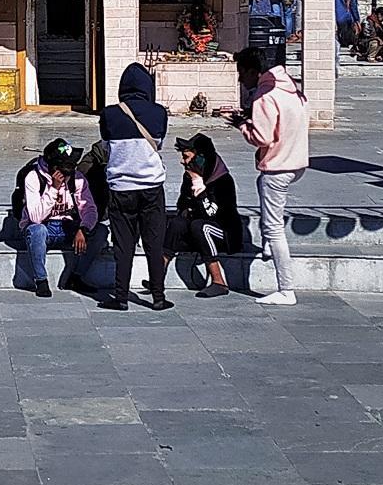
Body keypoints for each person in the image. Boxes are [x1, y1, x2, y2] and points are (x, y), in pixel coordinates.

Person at [229, 49, 309, 305]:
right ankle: (266, 244)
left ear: (253, 71)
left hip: (278, 165)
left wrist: (241, 125)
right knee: (265, 196)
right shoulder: (291, 89)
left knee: (274, 228)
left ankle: (286, 289)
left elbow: (262, 137)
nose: (241, 79)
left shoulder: (265, 96)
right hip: (296, 161)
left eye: (242, 73)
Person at [98, 62, 171, 311]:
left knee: (123, 246)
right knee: (154, 243)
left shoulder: (109, 114)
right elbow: (159, 142)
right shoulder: (159, 112)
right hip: (151, 187)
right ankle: (158, 297)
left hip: (121, 188)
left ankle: (120, 298)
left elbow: (106, 144)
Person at [15, 137, 99, 298]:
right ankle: (41, 280)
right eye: (65, 170)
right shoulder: (33, 177)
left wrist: (83, 228)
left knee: (99, 231)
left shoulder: (77, 178)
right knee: (37, 231)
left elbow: (89, 209)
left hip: (68, 227)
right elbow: (35, 217)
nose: (69, 174)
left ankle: (75, 277)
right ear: (53, 168)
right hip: (44, 226)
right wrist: (54, 188)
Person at [175, 132, 246, 298]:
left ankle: (218, 281)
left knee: (200, 226)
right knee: (177, 223)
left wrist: (199, 188)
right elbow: (182, 204)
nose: (182, 161)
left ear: (200, 158)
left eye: (186, 157)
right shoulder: (189, 177)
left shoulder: (222, 181)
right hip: (201, 232)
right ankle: (157, 278)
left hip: (226, 234)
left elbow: (211, 214)